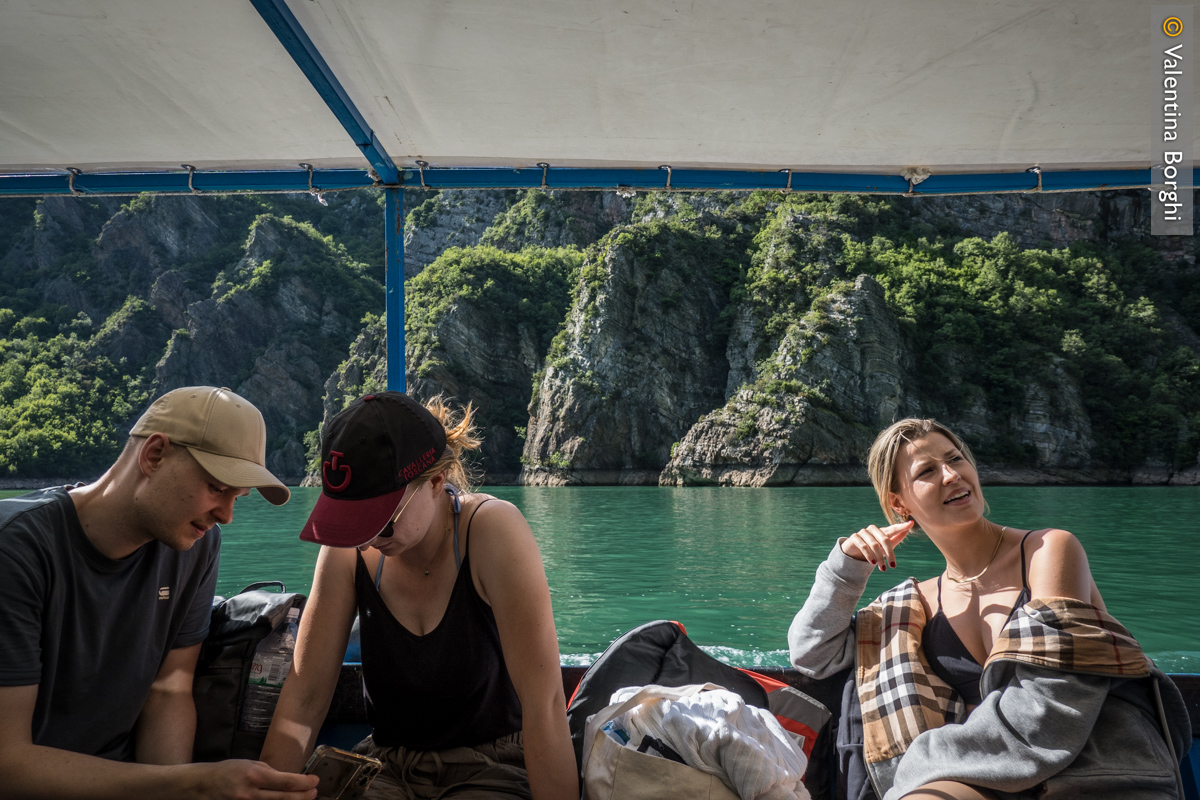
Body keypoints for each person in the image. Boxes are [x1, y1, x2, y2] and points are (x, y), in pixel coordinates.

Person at [788, 418, 1190, 800]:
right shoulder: (912, 605)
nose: (951, 475)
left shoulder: (1047, 551)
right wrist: (846, 565)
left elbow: (1048, 707)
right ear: (899, 503)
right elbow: (812, 652)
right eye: (927, 472)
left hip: (1089, 767)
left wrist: (923, 759)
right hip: (983, 777)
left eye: (955, 458)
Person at [0, 386, 320, 800]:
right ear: (154, 455)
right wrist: (194, 784)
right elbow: (7, 764)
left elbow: (168, 690)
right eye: (216, 488)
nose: (225, 514)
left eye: (237, 498)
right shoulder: (16, 549)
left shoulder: (195, 546)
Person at [260, 391, 578, 800]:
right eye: (352, 523)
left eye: (382, 522)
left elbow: (545, 705)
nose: (369, 539)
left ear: (434, 481)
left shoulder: (492, 532)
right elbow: (304, 698)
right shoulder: (348, 550)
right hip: (387, 767)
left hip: (491, 769)